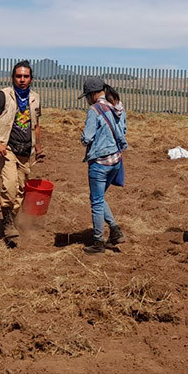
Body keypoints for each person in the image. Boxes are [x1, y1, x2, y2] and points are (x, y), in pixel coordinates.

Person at [0, 60, 43, 248]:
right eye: (19, 76)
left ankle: (13, 220)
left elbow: (36, 124)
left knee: (20, 189)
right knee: (9, 185)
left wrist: (38, 147)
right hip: (6, 148)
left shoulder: (35, 98)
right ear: (13, 78)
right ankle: (8, 224)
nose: (22, 80)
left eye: (26, 76)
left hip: (26, 149)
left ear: (31, 78)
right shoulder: (3, 96)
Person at [80, 77, 128, 254]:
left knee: (97, 201)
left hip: (99, 163)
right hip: (115, 161)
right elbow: (123, 131)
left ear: (93, 94)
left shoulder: (95, 110)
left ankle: (98, 242)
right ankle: (115, 231)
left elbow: (87, 137)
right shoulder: (118, 106)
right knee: (98, 198)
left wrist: (84, 138)